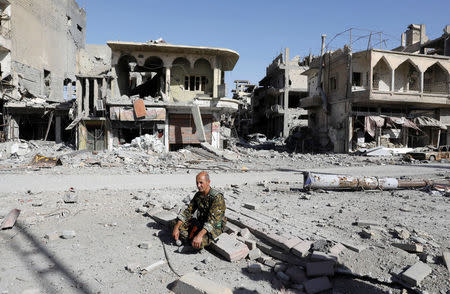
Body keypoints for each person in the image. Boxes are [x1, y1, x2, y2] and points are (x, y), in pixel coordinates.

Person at [172, 171, 226, 249]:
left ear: (208, 182)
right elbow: (188, 211)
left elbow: (212, 221)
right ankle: (188, 236)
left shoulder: (217, 198)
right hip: (201, 222)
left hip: (214, 226)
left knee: (197, 244)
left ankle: (190, 238)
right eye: (197, 183)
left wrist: (199, 236)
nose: (198, 185)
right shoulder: (198, 195)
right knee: (175, 223)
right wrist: (176, 227)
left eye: (201, 183)